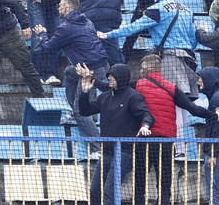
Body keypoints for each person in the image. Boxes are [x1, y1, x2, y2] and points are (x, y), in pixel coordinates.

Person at [98, 0, 200, 157]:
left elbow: (133, 28)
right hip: (188, 59)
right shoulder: (187, 9)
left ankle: (177, 148)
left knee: (170, 101)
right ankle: (182, 147)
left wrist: (108, 35)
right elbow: (193, 39)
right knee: (182, 103)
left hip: (169, 58)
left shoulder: (157, 9)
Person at [134, 54, 217, 205]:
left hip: (144, 139)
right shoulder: (171, 87)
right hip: (166, 139)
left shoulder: (138, 85)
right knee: (165, 182)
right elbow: (192, 108)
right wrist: (213, 115)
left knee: (139, 182)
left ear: (145, 67)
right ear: (160, 68)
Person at [33, 0, 109, 158]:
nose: (58, 7)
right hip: (96, 66)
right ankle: (74, 113)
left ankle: (98, 148)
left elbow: (48, 48)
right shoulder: (87, 21)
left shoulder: (66, 27)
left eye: (59, 5)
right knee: (69, 71)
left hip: (90, 71)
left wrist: (42, 34)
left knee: (81, 110)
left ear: (66, 9)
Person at [78, 63, 154, 205]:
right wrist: (84, 93)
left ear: (122, 77)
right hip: (106, 152)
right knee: (95, 190)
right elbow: (84, 111)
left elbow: (147, 115)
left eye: (113, 76)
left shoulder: (133, 96)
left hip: (124, 153)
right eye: (108, 75)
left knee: (109, 192)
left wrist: (145, 125)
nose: (109, 78)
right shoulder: (105, 97)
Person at [197, 66, 219, 204]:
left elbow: (217, 128)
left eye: (201, 77)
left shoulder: (216, 99)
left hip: (216, 153)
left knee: (214, 190)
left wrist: (213, 154)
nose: (199, 81)